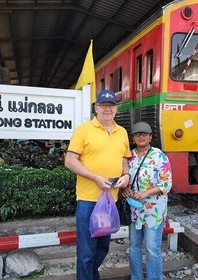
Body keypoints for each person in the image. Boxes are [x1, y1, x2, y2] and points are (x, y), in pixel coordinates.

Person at [64, 89, 132, 280]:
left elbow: (124, 159)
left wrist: (126, 175)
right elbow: (70, 161)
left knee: (103, 247)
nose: (107, 109)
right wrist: (95, 177)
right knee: (86, 252)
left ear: (116, 109)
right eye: (103, 105)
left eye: (111, 105)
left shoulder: (122, 132)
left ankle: (90, 276)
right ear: (96, 108)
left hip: (110, 201)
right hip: (88, 201)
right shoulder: (84, 129)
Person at [122, 122, 172, 280]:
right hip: (134, 210)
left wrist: (146, 193)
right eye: (137, 134)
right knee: (134, 246)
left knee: (152, 248)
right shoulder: (129, 157)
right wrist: (125, 189)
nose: (141, 136)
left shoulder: (159, 156)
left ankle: (154, 277)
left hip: (154, 211)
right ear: (133, 138)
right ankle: (136, 277)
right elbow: (123, 178)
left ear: (150, 137)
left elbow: (166, 184)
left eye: (144, 134)